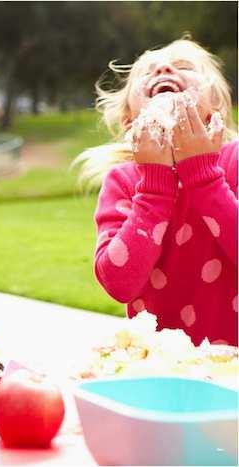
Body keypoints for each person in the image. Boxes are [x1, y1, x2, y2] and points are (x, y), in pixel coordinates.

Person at [75, 38, 237, 345]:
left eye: (184, 67)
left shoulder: (235, 162)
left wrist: (203, 178)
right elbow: (119, 284)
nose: (163, 69)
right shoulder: (123, 182)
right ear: (129, 121)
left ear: (213, 110)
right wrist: (153, 188)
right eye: (147, 73)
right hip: (162, 366)